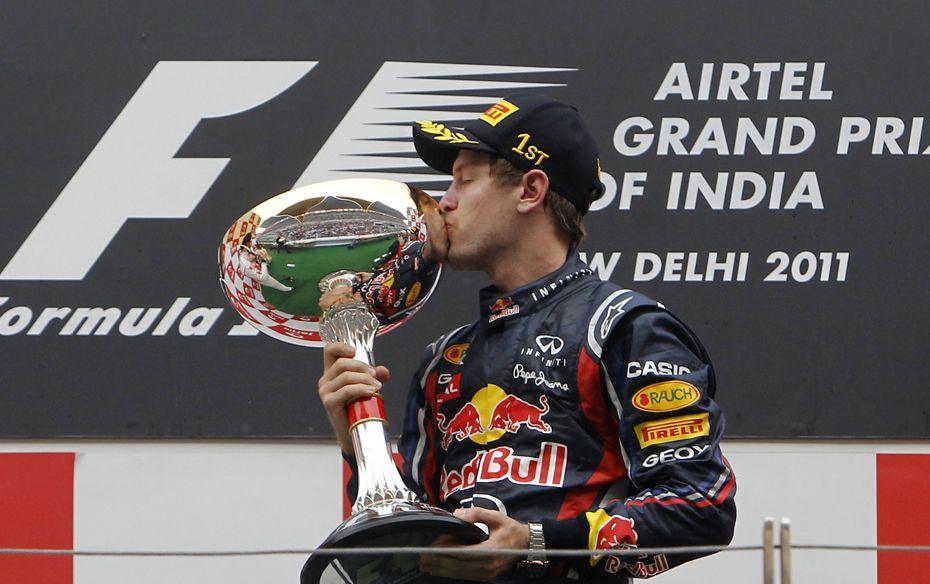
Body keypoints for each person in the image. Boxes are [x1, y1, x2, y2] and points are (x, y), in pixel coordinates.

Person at [317, 94, 736, 583]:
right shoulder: (442, 360)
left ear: (530, 190)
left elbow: (700, 506)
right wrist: (355, 442)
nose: (444, 202)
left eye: (463, 180)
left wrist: (534, 542)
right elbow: (392, 548)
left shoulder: (623, 327)